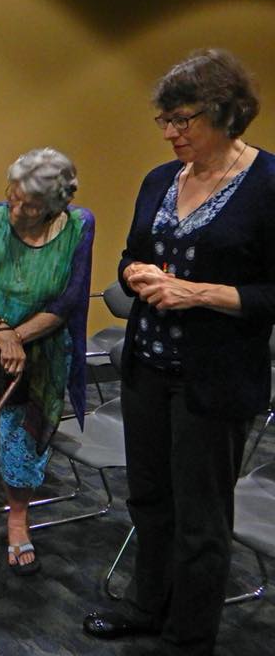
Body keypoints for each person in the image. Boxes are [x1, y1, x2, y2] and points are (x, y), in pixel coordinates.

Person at [83, 49, 274, 655]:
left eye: (183, 120)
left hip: (212, 380)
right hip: (146, 367)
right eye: (163, 121)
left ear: (224, 112)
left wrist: (199, 293)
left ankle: (190, 638)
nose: (170, 133)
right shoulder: (160, 180)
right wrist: (136, 272)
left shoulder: (268, 184)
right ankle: (147, 606)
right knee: (150, 500)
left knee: (200, 519)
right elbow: (129, 254)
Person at [0, 148, 94, 575]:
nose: (16, 209)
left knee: (23, 439)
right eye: (13, 196)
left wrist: (19, 338)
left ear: (55, 206)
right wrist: (2, 334)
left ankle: (18, 520)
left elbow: (68, 300)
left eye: (29, 204)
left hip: (43, 350)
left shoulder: (79, 226)